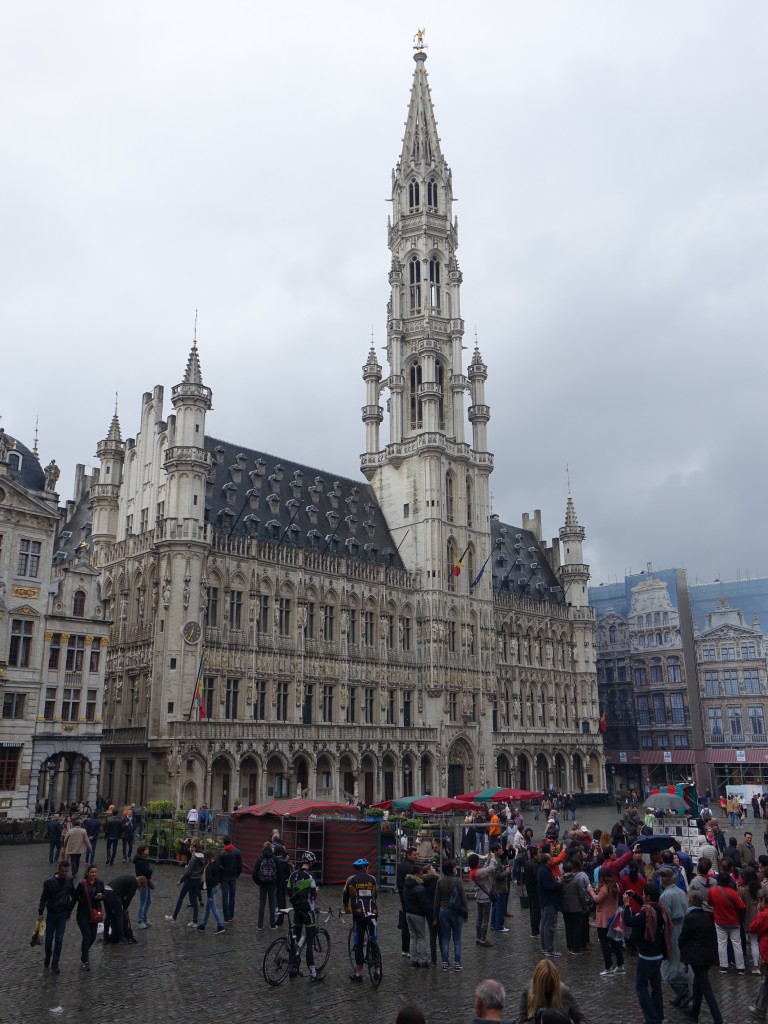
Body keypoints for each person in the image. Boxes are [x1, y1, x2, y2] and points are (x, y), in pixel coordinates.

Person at [622, 883, 672, 1024]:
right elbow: (647, 906)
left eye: (643, 894)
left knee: (641, 986)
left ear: (648, 896)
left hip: (647, 956)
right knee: (656, 986)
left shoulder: (647, 914)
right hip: (658, 955)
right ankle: (658, 1014)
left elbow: (629, 921)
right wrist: (635, 896)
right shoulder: (659, 908)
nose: (642, 896)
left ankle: (652, 1018)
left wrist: (626, 905)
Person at [678, 890, 723, 1024]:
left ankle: (717, 1018)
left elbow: (683, 937)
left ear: (691, 901)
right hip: (707, 955)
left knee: (705, 987)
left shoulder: (690, 917)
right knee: (698, 983)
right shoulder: (706, 916)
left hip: (697, 956)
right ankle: (694, 1011)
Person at [288, 850, 324, 982]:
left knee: (295, 940)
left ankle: (293, 967)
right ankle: (313, 973)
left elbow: (288, 892)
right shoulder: (311, 876)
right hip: (308, 912)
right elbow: (313, 895)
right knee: (309, 942)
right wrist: (315, 892)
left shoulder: (293, 875)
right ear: (311, 862)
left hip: (297, 911)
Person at [517, 958, 589, 1024]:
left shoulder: (563, 992)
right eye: (545, 986)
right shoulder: (527, 992)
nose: (548, 989)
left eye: (551, 985)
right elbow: (522, 1021)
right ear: (537, 983)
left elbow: (583, 1019)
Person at [343, 856, 380, 982]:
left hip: (358, 914)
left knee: (358, 943)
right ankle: (377, 970)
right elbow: (375, 895)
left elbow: (345, 895)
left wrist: (347, 909)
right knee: (374, 939)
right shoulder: (372, 879)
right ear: (365, 868)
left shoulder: (350, 879)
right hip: (373, 913)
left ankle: (359, 973)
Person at [658, 866, 690, 1006]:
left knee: (669, 965)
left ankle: (683, 992)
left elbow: (665, 917)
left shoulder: (665, 896)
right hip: (683, 928)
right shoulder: (680, 892)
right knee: (680, 963)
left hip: (673, 930)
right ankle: (681, 992)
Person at [37, 860, 75, 974]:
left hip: (63, 914)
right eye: (63, 871)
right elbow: (43, 898)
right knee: (49, 940)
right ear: (58, 870)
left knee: (59, 939)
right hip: (52, 914)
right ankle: (48, 956)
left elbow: (74, 894)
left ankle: (55, 964)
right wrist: (40, 912)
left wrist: (70, 908)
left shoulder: (69, 880)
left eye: (66, 871)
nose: (64, 873)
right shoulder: (49, 882)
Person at [707, 868, 746, 973]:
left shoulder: (713, 891)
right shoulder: (733, 893)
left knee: (722, 943)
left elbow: (709, 903)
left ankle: (723, 966)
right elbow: (741, 906)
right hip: (733, 921)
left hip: (719, 920)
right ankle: (740, 967)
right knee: (737, 943)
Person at [588, 866, 624, 975]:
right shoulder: (615, 885)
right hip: (614, 918)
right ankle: (620, 965)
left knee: (604, 943)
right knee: (615, 942)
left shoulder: (604, 887)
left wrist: (591, 891)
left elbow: (597, 899)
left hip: (603, 919)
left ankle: (608, 967)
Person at [434, 858, 467, 972]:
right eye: (454, 867)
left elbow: (436, 900)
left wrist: (435, 916)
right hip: (457, 912)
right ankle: (457, 963)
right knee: (457, 938)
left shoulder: (440, 882)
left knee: (445, 938)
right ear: (451, 870)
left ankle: (444, 962)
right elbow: (463, 898)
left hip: (443, 912)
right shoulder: (457, 881)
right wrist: (466, 912)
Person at [71, 864, 105, 972]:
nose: (94, 874)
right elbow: (75, 898)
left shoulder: (100, 883)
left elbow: (103, 895)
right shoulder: (82, 884)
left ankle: (83, 954)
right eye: (92, 872)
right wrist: (68, 912)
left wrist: (101, 897)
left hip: (94, 914)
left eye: (95, 872)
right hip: (83, 914)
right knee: (86, 936)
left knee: (93, 937)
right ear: (87, 873)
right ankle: (85, 961)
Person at [165, 838, 204, 925]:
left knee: (181, 897)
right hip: (197, 880)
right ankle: (194, 921)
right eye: (190, 846)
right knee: (194, 900)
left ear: (196, 848)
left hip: (190, 880)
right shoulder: (202, 856)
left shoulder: (193, 858)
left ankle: (174, 917)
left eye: (193, 847)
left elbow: (188, 872)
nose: (191, 848)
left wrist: (180, 881)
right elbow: (201, 870)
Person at [403, 862, 430, 968]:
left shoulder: (406, 885)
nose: (423, 875)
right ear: (418, 874)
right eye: (421, 874)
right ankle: (423, 960)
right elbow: (424, 904)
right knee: (422, 937)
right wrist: (430, 916)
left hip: (408, 913)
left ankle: (414, 960)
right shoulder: (419, 888)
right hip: (418, 914)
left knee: (413, 937)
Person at [560, 860, 589, 956]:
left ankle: (570, 946)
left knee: (568, 927)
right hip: (576, 908)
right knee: (577, 928)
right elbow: (581, 895)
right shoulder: (576, 880)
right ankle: (576, 948)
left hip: (565, 908)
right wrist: (585, 907)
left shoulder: (561, 881)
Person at [468, 852, 495, 948]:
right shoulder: (478, 872)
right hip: (485, 898)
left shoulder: (473, 872)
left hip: (479, 897)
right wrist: (492, 858)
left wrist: (487, 861)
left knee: (479, 919)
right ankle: (483, 939)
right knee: (485, 920)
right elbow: (491, 869)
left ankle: (478, 938)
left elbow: (484, 870)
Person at [538, 852, 562, 958]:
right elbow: (549, 886)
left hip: (544, 901)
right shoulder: (545, 871)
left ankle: (545, 947)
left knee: (544, 925)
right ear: (547, 861)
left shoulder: (542, 869)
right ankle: (549, 949)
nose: (553, 859)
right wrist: (558, 883)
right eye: (551, 858)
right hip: (549, 901)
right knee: (548, 926)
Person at [102, 873, 138, 943]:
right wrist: (125, 909)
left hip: (105, 890)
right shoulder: (135, 883)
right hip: (113, 893)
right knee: (119, 915)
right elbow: (128, 898)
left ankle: (105, 938)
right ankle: (121, 938)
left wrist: (123, 904)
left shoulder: (129, 878)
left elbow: (121, 895)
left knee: (108, 915)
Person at [749, 891, 768, 1020]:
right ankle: (760, 1007)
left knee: (766, 981)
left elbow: (753, 927)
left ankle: (760, 1009)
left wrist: (758, 912)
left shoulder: (764, 915)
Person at [252, 840, 279, 929]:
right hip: (272, 884)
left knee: (262, 904)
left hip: (263, 884)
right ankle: (273, 924)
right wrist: (276, 883)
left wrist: (259, 882)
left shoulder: (260, 859)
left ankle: (260, 925)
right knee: (272, 904)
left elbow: (254, 874)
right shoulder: (275, 859)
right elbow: (280, 873)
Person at [397, 846, 418, 956]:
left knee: (405, 924)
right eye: (414, 854)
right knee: (410, 924)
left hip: (402, 895)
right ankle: (409, 949)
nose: (416, 856)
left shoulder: (401, 866)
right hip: (409, 897)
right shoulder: (410, 867)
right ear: (408, 855)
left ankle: (404, 949)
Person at [197, 851, 225, 933]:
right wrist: (220, 882)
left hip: (212, 888)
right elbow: (222, 871)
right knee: (207, 907)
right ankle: (203, 925)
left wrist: (209, 895)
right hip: (216, 886)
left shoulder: (209, 866)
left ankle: (220, 925)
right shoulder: (216, 863)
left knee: (213, 908)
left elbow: (208, 882)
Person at [218, 834, 243, 924]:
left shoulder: (221, 853)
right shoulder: (237, 852)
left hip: (224, 878)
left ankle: (226, 918)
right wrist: (237, 875)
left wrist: (219, 880)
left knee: (225, 897)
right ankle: (231, 916)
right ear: (231, 842)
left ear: (224, 843)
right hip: (233, 877)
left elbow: (219, 868)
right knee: (232, 897)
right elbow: (240, 866)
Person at [133, 843, 154, 928]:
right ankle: (140, 921)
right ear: (142, 851)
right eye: (146, 849)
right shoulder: (140, 862)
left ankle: (145, 919)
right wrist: (150, 871)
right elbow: (148, 871)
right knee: (143, 902)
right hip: (143, 883)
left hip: (147, 882)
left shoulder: (144, 860)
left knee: (148, 901)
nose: (148, 850)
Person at [524, 845, 542, 938]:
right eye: (538, 854)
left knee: (533, 910)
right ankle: (535, 931)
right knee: (536, 911)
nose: (540, 856)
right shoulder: (534, 865)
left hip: (530, 890)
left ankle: (534, 930)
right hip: (535, 891)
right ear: (534, 856)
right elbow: (537, 879)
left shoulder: (528, 863)